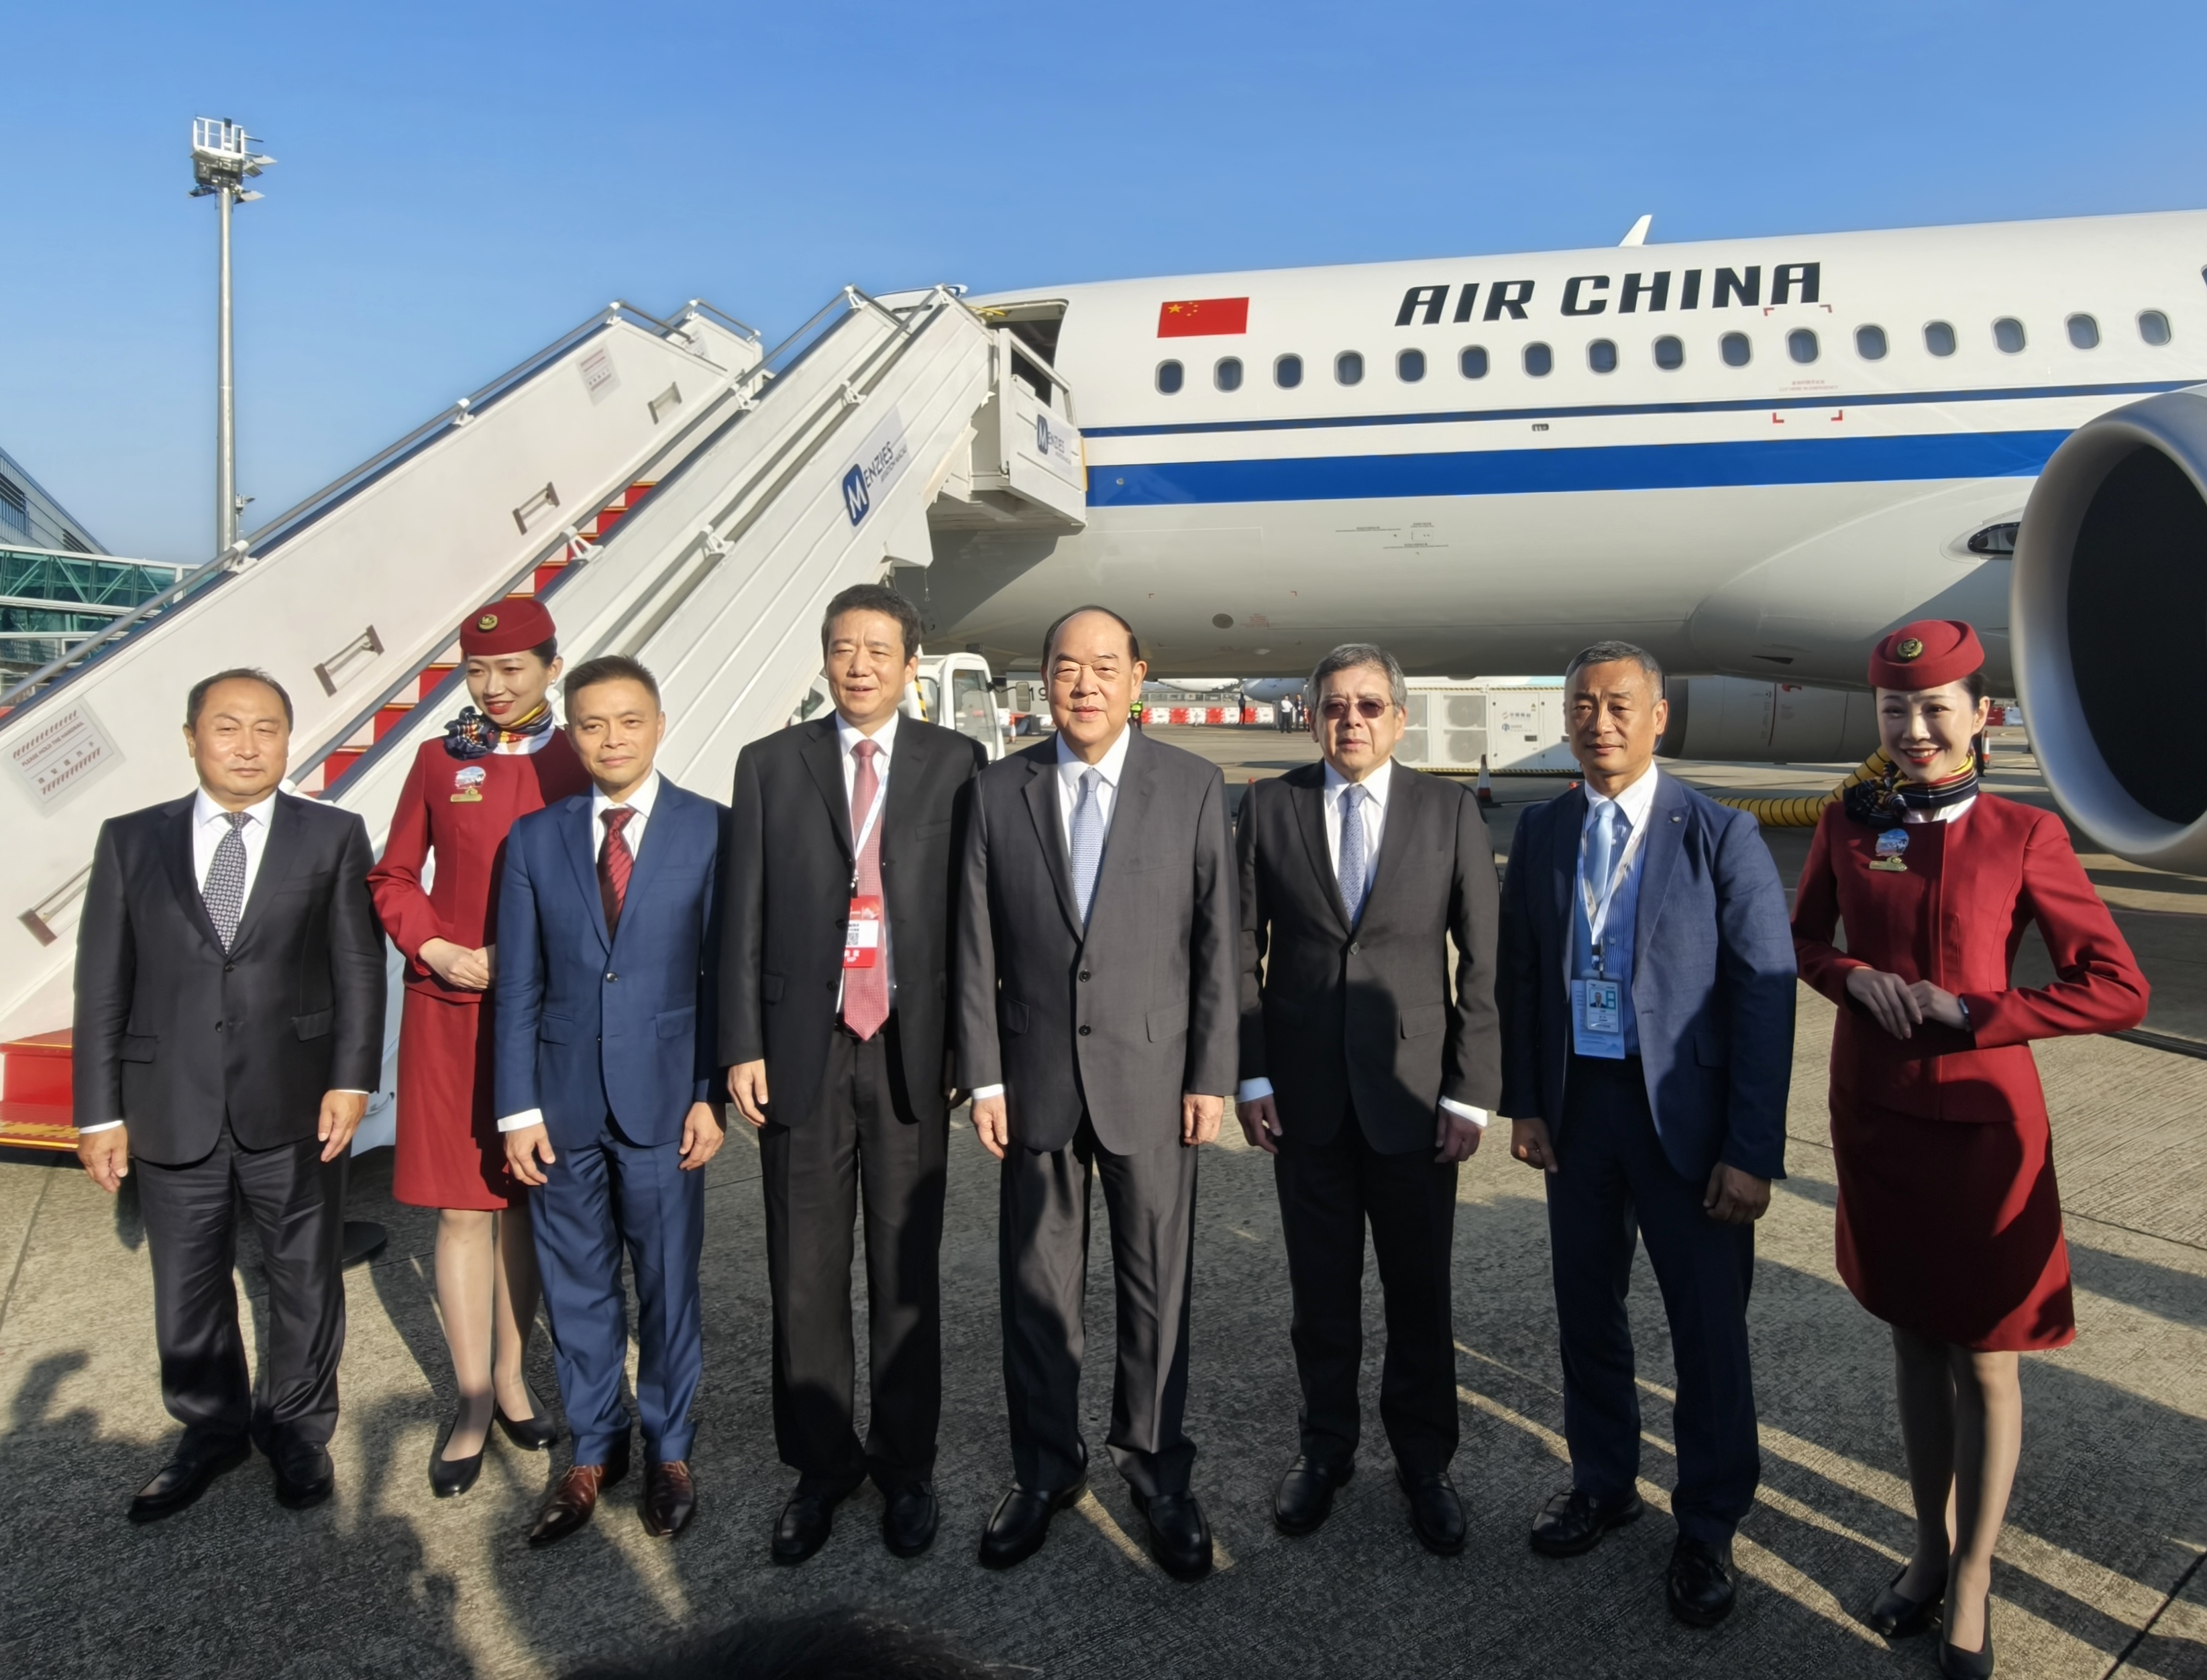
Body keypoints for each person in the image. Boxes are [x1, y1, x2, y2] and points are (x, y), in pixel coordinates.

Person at [1792, 618, 2146, 1677]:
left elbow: (2116, 987)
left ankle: (1976, 1578)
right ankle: (1929, 1549)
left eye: (1934, 708)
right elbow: (1799, 939)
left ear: (1980, 714)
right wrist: (1853, 978)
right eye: (1894, 709)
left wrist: (1979, 1012)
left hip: (1984, 1134)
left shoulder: (2023, 835)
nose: (1913, 728)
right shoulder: (1847, 823)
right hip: (1877, 1118)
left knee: (1985, 1358)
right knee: (1910, 1340)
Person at [1497, 640, 1794, 1628]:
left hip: (1687, 1122)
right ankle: (1602, 1481)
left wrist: (1749, 1150)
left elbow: (1764, 1000)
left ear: (1658, 717)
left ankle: (1706, 1523)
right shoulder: (1542, 829)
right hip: (1578, 1109)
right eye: (1583, 705)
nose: (1600, 722)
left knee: (1705, 1331)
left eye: (1620, 705)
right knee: (1586, 1310)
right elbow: (1521, 975)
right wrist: (1525, 1103)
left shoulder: (1719, 833)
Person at [955, 605, 1238, 1580]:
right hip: (1034, 1077)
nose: (1084, 685)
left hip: (1153, 1079)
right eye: (1067, 667)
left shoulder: (1192, 786)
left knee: (1154, 1287)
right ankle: (1044, 1470)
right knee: (1037, 1291)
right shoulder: (998, 790)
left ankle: (1157, 1472)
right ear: (1043, 679)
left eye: (1104, 667)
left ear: (1137, 678)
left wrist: (1210, 1074)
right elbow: (973, 946)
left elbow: (1218, 942)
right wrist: (983, 1074)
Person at [74, 669, 386, 1519]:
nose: (248, 746)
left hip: (296, 1099)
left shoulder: (332, 835)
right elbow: (101, 983)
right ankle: (210, 1429)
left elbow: (359, 969)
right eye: (227, 727)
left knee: (304, 1275)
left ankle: (297, 1429)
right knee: (187, 1282)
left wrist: (352, 1078)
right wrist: (99, 1112)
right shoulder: (131, 840)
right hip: (168, 1101)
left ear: (287, 739)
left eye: (267, 728)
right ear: (191, 738)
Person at [720, 583, 987, 1564]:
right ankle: (820, 1466)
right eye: (842, 647)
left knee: (905, 1273)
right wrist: (740, 1043)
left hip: (912, 1050)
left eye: (879, 649)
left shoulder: (956, 763)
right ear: (824, 658)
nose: (859, 665)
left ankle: (906, 1467)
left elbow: (971, 919)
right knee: (803, 1273)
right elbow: (739, 916)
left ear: (912, 664)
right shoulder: (769, 764)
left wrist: (968, 1049)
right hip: (802, 1044)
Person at [1235, 643, 1501, 1555]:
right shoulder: (1269, 807)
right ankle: (1325, 1447)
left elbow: (1483, 960)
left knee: (1418, 1292)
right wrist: (1252, 1073)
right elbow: (1237, 951)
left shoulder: (1446, 810)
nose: (1350, 720)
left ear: (1399, 718)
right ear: (1310, 716)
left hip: (1413, 1098)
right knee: (1320, 1294)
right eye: (1334, 706)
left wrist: (1469, 1092)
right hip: (1302, 1099)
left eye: (1369, 705)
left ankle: (1424, 1463)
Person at [494, 655, 727, 1546]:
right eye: (591, 724)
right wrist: (516, 1109)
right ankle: (594, 1447)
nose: (611, 739)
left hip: (668, 1101)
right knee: (577, 1286)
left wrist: (709, 1094)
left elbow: (722, 978)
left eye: (629, 721)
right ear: (571, 733)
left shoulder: (712, 829)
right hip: (560, 1107)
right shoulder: (533, 839)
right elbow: (519, 984)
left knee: (667, 1284)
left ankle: (669, 1447)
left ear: (659, 725)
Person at [368, 596, 586, 1494]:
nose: (493, 687)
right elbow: (393, 874)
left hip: (548, 1011)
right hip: (453, 1006)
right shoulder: (437, 759)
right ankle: (467, 1397)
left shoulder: (581, 758)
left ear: (551, 669)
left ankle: (511, 1375)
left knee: (524, 1200)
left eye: (513, 669)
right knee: (461, 1209)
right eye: (477, 671)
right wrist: (434, 945)